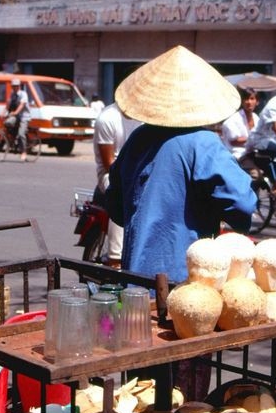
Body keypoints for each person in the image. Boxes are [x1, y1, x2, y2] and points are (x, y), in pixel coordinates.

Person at [105, 45, 257, 284]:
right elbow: (243, 204)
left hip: (135, 280)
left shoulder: (137, 139)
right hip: (185, 284)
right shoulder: (203, 143)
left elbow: (114, 205)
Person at [92, 102, 140, 268]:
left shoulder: (144, 119)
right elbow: (109, 165)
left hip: (137, 172)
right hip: (111, 175)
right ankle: (115, 256)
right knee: (124, 194)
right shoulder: (108, 118)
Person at [219, 85, 258, 159]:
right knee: (256, 171)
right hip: (238, 156)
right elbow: (235, 141)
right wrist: (256, 138)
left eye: (252, 99)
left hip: (253, 153)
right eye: (246, 99)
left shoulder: (256, 117)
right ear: (242, 102)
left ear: (257, 102)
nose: (249, 102)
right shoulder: (233, 120)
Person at [2, 77, 31, 161]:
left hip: (24, 116)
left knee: (21, 134)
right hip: (16, 116)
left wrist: (15, 112)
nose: (14, 88)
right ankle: (13, 141)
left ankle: (24, 152)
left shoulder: (23, 94)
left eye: (16, 86)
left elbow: (22, 105)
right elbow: (8, 105)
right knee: (7, 123)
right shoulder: (12, 94)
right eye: (13, 86)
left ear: (19, 86)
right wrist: (3, 113)